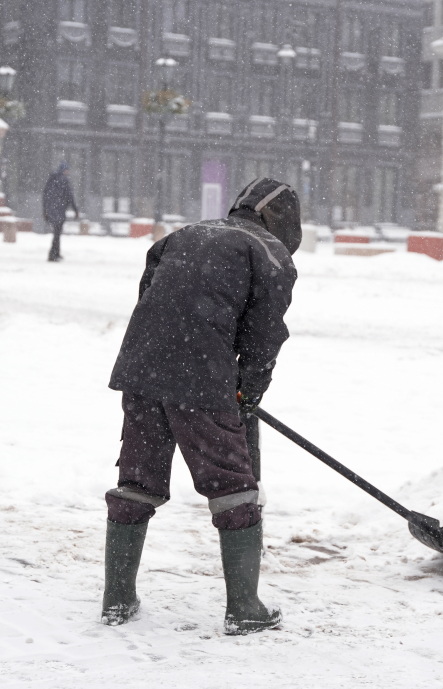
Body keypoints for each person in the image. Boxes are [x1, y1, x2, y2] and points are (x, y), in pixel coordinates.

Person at [102, 177, 302, 635]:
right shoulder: (271, 255)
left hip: (142, 368)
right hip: (201, 379)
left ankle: (116, 599)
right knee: (231, 484)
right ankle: (245, 607)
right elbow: (263, 338)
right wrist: (248, 392)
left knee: (138, 478)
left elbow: (150, 298)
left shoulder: (183, 235)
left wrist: (171, 360)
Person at [42, 162, 78, 262]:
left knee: (56, 232)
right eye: (67, 170)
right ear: (64, 170)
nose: (68, 172)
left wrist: (45, 209)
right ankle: (53, 254)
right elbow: (69, 196)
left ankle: (55, 253)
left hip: (51, 209)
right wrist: (75, 209)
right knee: (57, 233)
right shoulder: (64, 180)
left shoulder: (51, 179)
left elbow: (45, 194)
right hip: (59, 210)